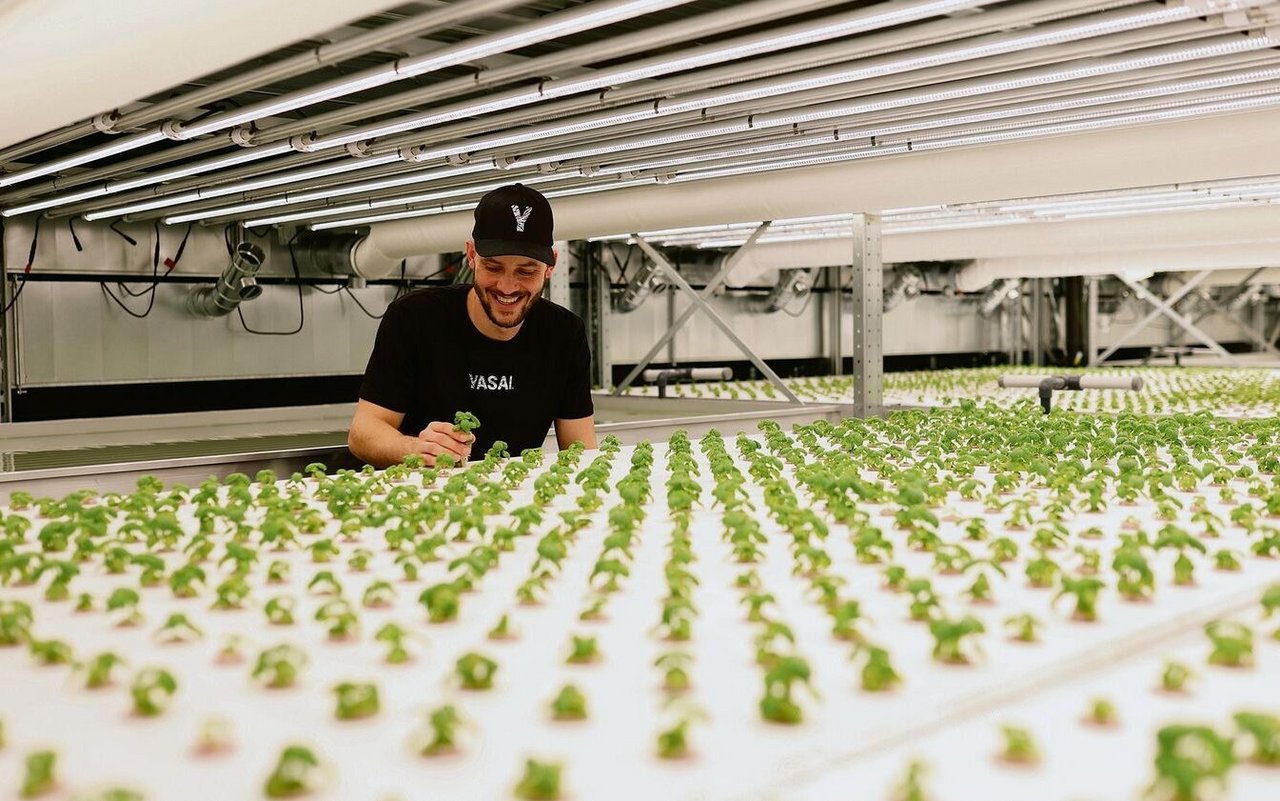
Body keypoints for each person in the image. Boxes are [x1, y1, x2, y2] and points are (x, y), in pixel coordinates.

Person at [348, 183, 597, 467]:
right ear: (471, 255)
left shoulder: (564, 334)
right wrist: (415, 447)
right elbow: (363, 433)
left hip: (513, 498)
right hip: (423, 493)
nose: (507, 286)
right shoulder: (414, 317)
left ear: (551, 265)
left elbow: (581, 448)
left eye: (526, 271)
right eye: (493, 267)